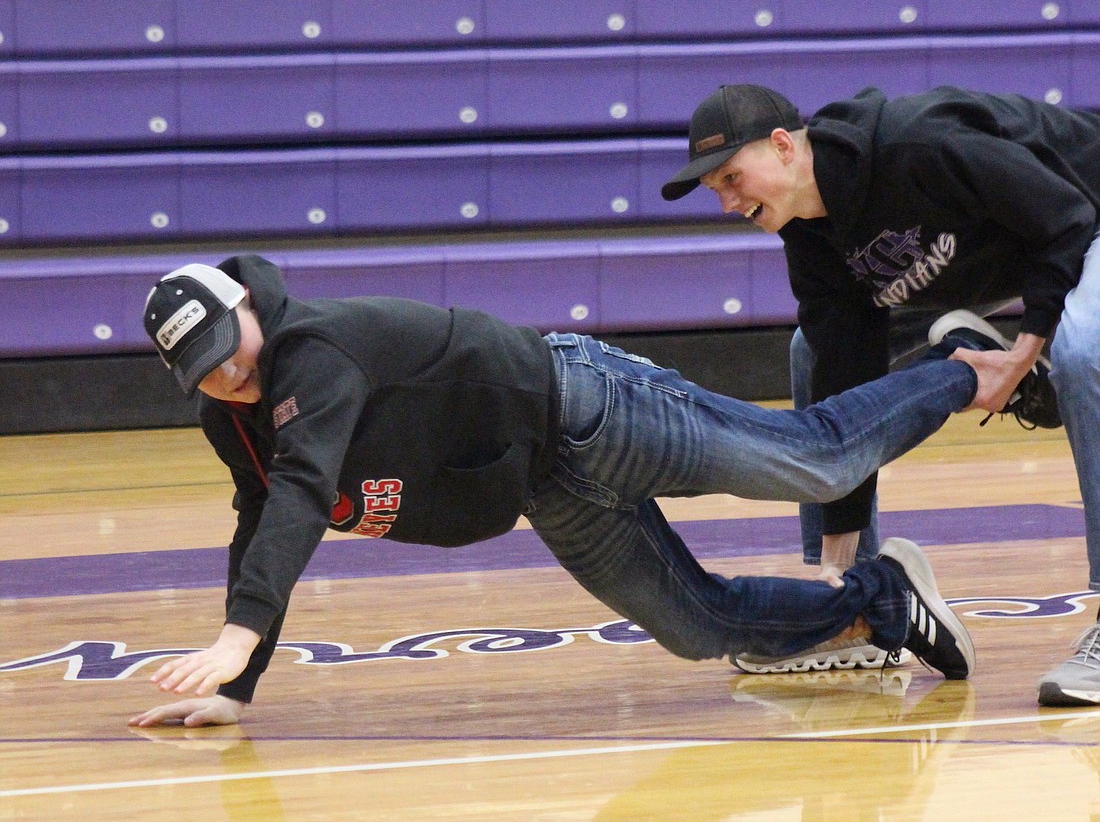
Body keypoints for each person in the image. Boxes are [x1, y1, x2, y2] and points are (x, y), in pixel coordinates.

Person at [130, 254, 985, 727]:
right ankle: (887, 600)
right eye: (206, 371)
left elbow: (304, 495)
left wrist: (239, 637)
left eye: (229, 346)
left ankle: (974, 369)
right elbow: (259, 521)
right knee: (698, 626)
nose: (231, 373)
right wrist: (235, 686)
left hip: (587, 404)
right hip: (547, 482)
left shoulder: (313, 352)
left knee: (815, 460)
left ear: (248, 303)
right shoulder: (233, 422)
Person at [662, 83, 1100, 705]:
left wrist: (1022, 353)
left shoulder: (916, 146)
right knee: (813, 351)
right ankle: (853, 605)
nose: (729, 201)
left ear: (783, 146)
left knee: (1084, 351)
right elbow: (846, 390)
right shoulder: (810, 232)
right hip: (1003, 261)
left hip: (1086, 215)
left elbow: (1066, 219)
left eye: (733, 177)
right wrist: (837, 580)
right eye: (718, 192)